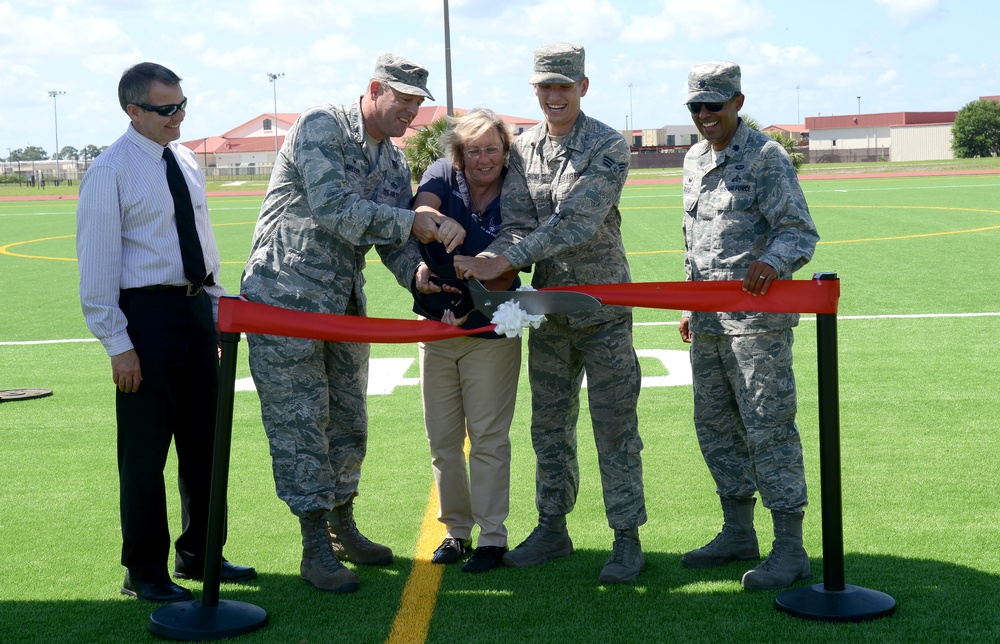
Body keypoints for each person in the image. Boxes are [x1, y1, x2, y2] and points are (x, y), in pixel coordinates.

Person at [241, 53, 463, 594]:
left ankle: (343, 524)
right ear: (374, 89)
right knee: (300, 423)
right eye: (402, 99)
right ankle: (314, 543)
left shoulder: (391, 161)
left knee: (348, 419)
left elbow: (388, 237)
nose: (410, 111)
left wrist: (415, 273)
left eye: (417, 102)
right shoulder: (323, 126)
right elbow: (335, 209)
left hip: (342, 306)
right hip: (284, 301)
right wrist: (413, 221)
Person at [454, 43, 646, 584]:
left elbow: (575, 221)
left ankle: (626, 538)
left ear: (583, 87)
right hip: (549, 311)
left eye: (565, 85)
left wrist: (504, 259)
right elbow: (517, 220)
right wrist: (497, 256)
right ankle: (552, 529)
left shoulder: (607, 145)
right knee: (549, 428)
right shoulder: (525, 149)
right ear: (535, 90)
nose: (555, 95)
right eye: (546, 86)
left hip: (603, 309)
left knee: (615, 429)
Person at [76, 62, 256, 603]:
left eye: (181, 104)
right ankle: (145, 570)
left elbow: (201, 247)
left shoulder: (184, 161)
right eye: (165, 108)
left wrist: (219, 310)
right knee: (145, 454)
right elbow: (98, 266)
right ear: (133, 111)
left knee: (205, 444)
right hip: (145, 321)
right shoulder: (110, 171)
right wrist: (118, 345)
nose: (178, 116)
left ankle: (202, 552)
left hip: (197, 313)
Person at [677, 61, 820, 591]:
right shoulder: (694, 159)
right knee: (715, 427)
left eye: (714, 104)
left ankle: (790, 549)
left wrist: (775, 262)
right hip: (710, 322)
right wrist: (692, 306)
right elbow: (694, 239)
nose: (705, 115)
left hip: (757, 324)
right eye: (695, 107)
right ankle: (738, 531)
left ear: (737, 101)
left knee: (769, 428)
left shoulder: (765, 157)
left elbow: (798, 232)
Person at [411, 109, 521, 574]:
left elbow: (514, 261)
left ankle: (492, 538)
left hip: (490, 330)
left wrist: (478, 263)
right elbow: (420, 209)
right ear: (459, 153)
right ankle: (456, 532)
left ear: (504, 150)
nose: (483, 158)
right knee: (443, 439)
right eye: (473, 150)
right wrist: (435, 219)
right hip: (436, 328)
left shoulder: (517, 186)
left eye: (491, 148)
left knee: (489, 438)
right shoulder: (443, 173)